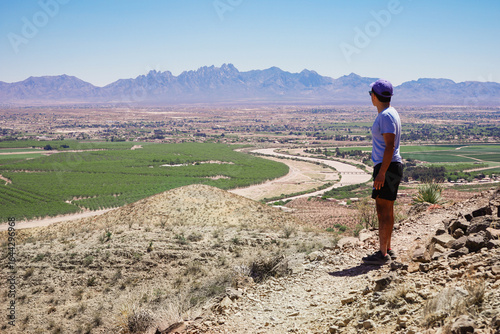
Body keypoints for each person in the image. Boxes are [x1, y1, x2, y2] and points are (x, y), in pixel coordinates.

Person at [362, 79, 403, 265]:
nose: (370, 97)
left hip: (386, 166)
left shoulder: (385, 116)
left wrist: (381, 173)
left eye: (371, 94)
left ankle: (382, 255)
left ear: (375, 96)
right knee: (388, 209)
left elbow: (389, 146)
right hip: (391, 166)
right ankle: (388, 249)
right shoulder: (392, 113)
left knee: (382, 211)